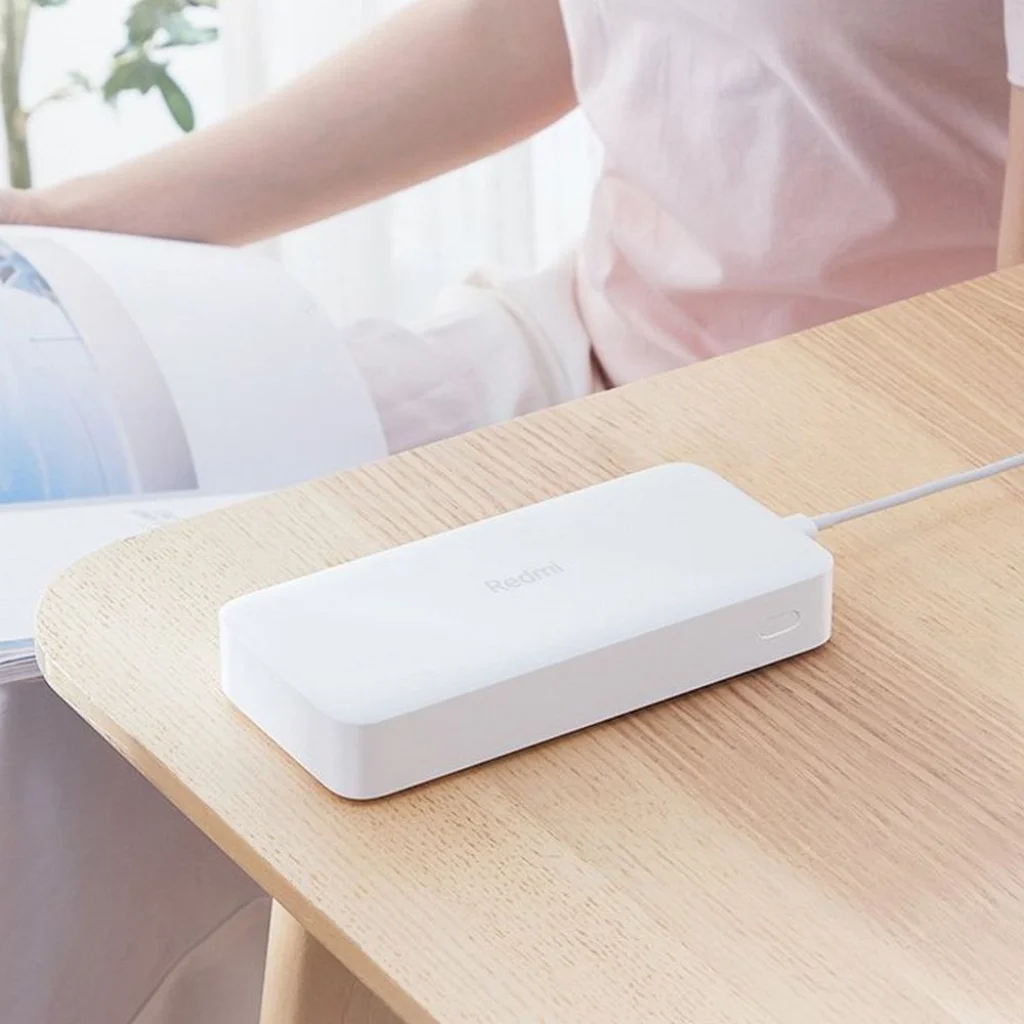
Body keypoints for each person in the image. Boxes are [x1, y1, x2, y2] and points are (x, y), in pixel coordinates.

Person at [3, 1, 1024, 1021]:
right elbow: (528, 24)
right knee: (63, 686)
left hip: (872, 479)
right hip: (578, 350)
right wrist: (49, 218)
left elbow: (1002, 359)